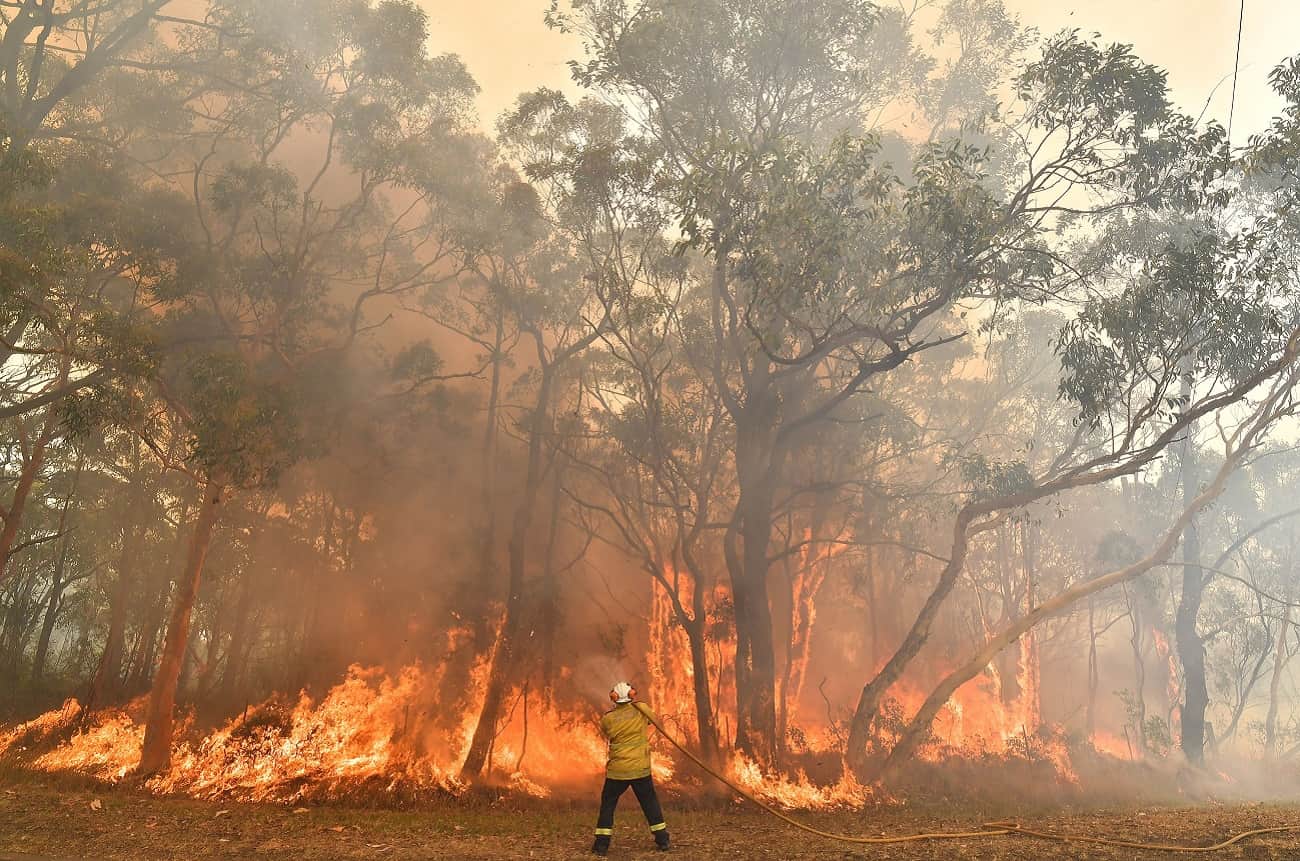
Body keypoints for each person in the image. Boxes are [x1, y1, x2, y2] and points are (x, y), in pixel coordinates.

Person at [592, 681, 670, 855]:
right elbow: (653, 720)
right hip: (640, 769)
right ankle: (663, 840)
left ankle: (601, 846)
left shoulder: (608, 718)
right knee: (650, 803)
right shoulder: (641, 709)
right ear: (632, 695)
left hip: (617, 771)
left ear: (613, 697)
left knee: (608, 805)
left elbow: (606, 732)